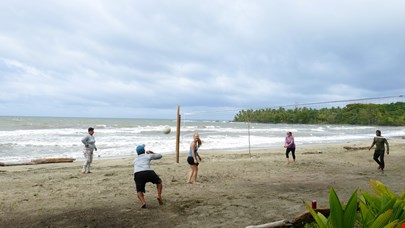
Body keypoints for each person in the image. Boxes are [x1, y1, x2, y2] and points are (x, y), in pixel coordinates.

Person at [134, 144, 163, 208]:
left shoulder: (135, 160)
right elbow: (160, 156)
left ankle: (143, 202)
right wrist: (152, 153)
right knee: (159, 182)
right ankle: (159, 195)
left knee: (139, 190)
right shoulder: (147, 156)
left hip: (138, 174)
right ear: (144, 150)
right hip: (148, 171)